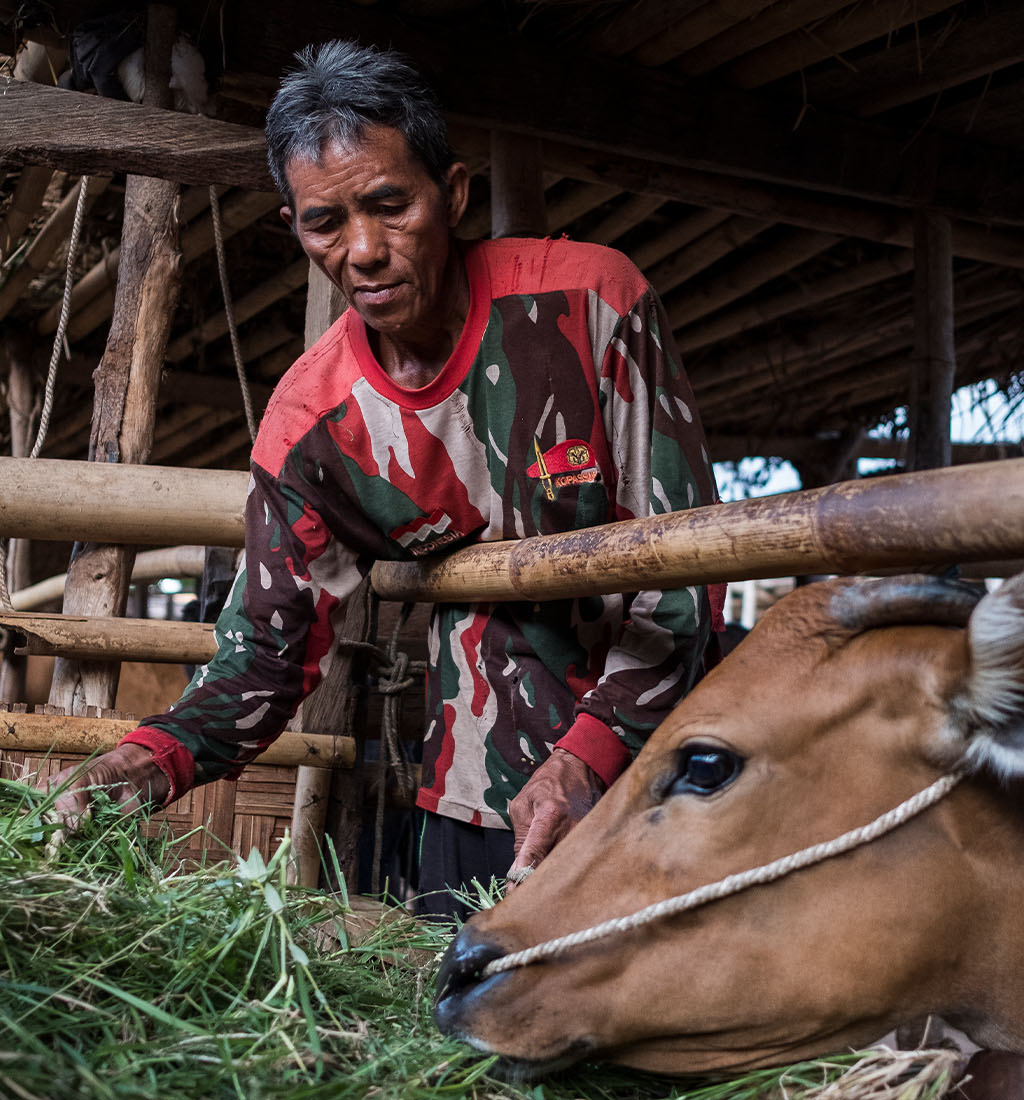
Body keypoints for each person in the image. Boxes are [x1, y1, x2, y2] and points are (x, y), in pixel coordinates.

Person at [54, 40, 720, 920]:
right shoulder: (312, 429)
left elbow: (688, 576)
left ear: (453, 194)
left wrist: (586, 756)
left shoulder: (589, 305)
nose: (362, 250)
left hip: (663, 786)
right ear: (294, 227)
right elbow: (265, 651)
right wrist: (146, 761)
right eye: (325, 222)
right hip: (475, 805)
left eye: (389, 205)